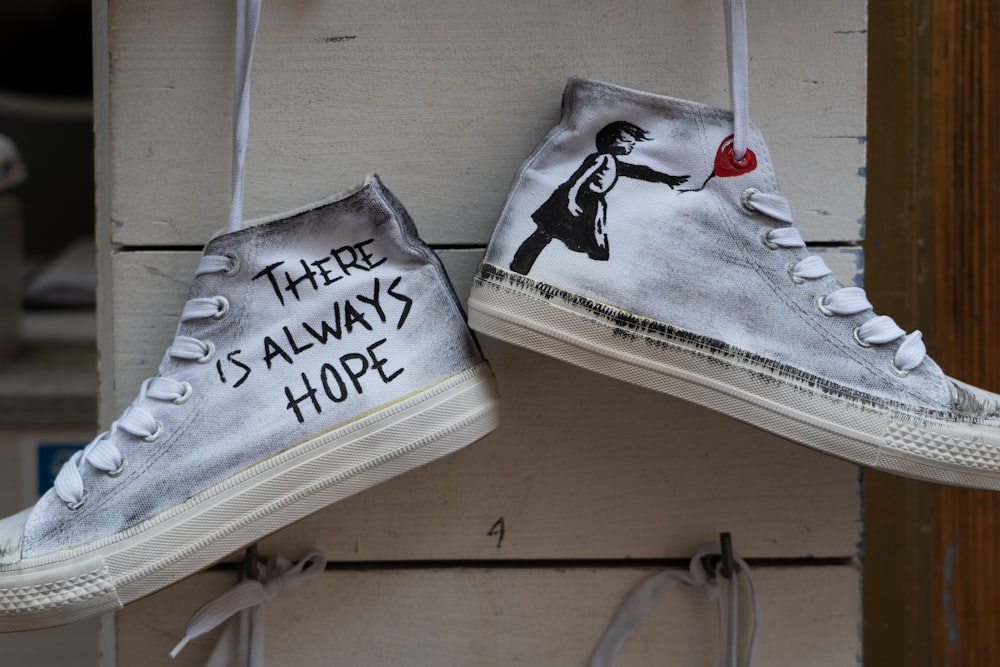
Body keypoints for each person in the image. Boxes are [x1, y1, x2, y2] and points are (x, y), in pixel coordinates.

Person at [510, 120, 689, 275]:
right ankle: (519, 268)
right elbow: (577, 180)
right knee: (544, 234)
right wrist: (570, 199)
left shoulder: (616, 164)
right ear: (610, 141)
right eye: (627, 141)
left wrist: (667, 179)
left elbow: (641, 171)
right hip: (576, 199)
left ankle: (587, 277)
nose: (632, 145)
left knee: (592, 243)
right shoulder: (601, 159)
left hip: (592, 204)